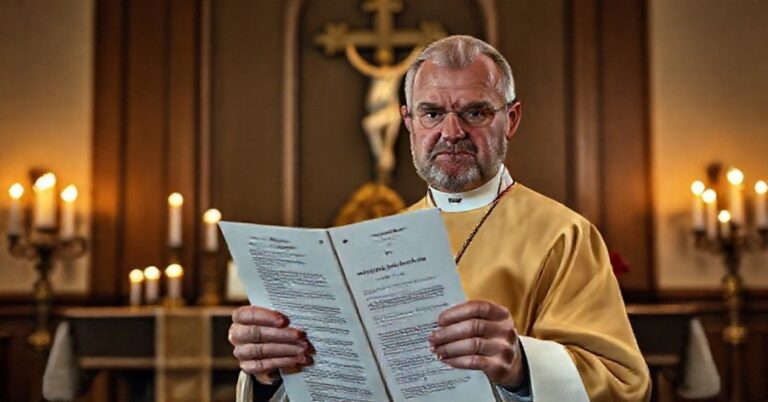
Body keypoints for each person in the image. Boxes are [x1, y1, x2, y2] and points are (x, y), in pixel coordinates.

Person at [228, 35, 651, 402]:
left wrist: (522, 366)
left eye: (475, 112)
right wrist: (271, 370)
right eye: (432, 113)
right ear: (408, 123)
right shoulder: (373, 242)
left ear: (511, 120)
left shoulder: (564, 234)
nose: (451, 132)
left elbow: (625, 385)